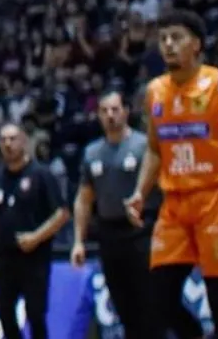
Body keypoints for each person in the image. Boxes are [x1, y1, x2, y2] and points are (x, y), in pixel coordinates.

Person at [127, 10, 218, 339]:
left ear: (196, 44)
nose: (168, 44)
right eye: (163, 38)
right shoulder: (154, 92)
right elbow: (154, 148)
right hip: (174, 204)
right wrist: (140, 191)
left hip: (216, 198)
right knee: (158, 299)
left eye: (176, 37)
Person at [72, 91, 156, 338]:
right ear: (98, 115)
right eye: (105, 111)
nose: (110, 115)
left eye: (115, 109)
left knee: (149, 300)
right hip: (108, 233)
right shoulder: (92, 152)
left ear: (126, 112)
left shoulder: (144, 146)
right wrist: (78, 241)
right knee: (122, 301)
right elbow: (84, 199)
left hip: (142, 230)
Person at [0, 124, 67, 339]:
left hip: (34, 258)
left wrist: (36, 237)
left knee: (35, 315)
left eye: (13, 139)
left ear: (24, 141)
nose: (8, 144)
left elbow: (62, 214)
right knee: (5, 313)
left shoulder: (41, 174)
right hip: (3, 257)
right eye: (3, 140)